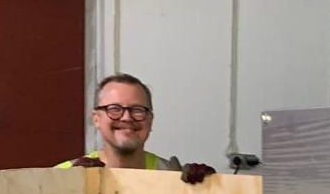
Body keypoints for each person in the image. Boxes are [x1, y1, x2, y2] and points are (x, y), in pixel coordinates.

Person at [57, 73, 215, 184]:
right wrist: (68, 190)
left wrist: (209, 192)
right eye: (114, 109)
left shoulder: (174, 177)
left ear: (150, 120)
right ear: (96, 119)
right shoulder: (61, 176)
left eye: (137, 110)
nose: (126, 117)